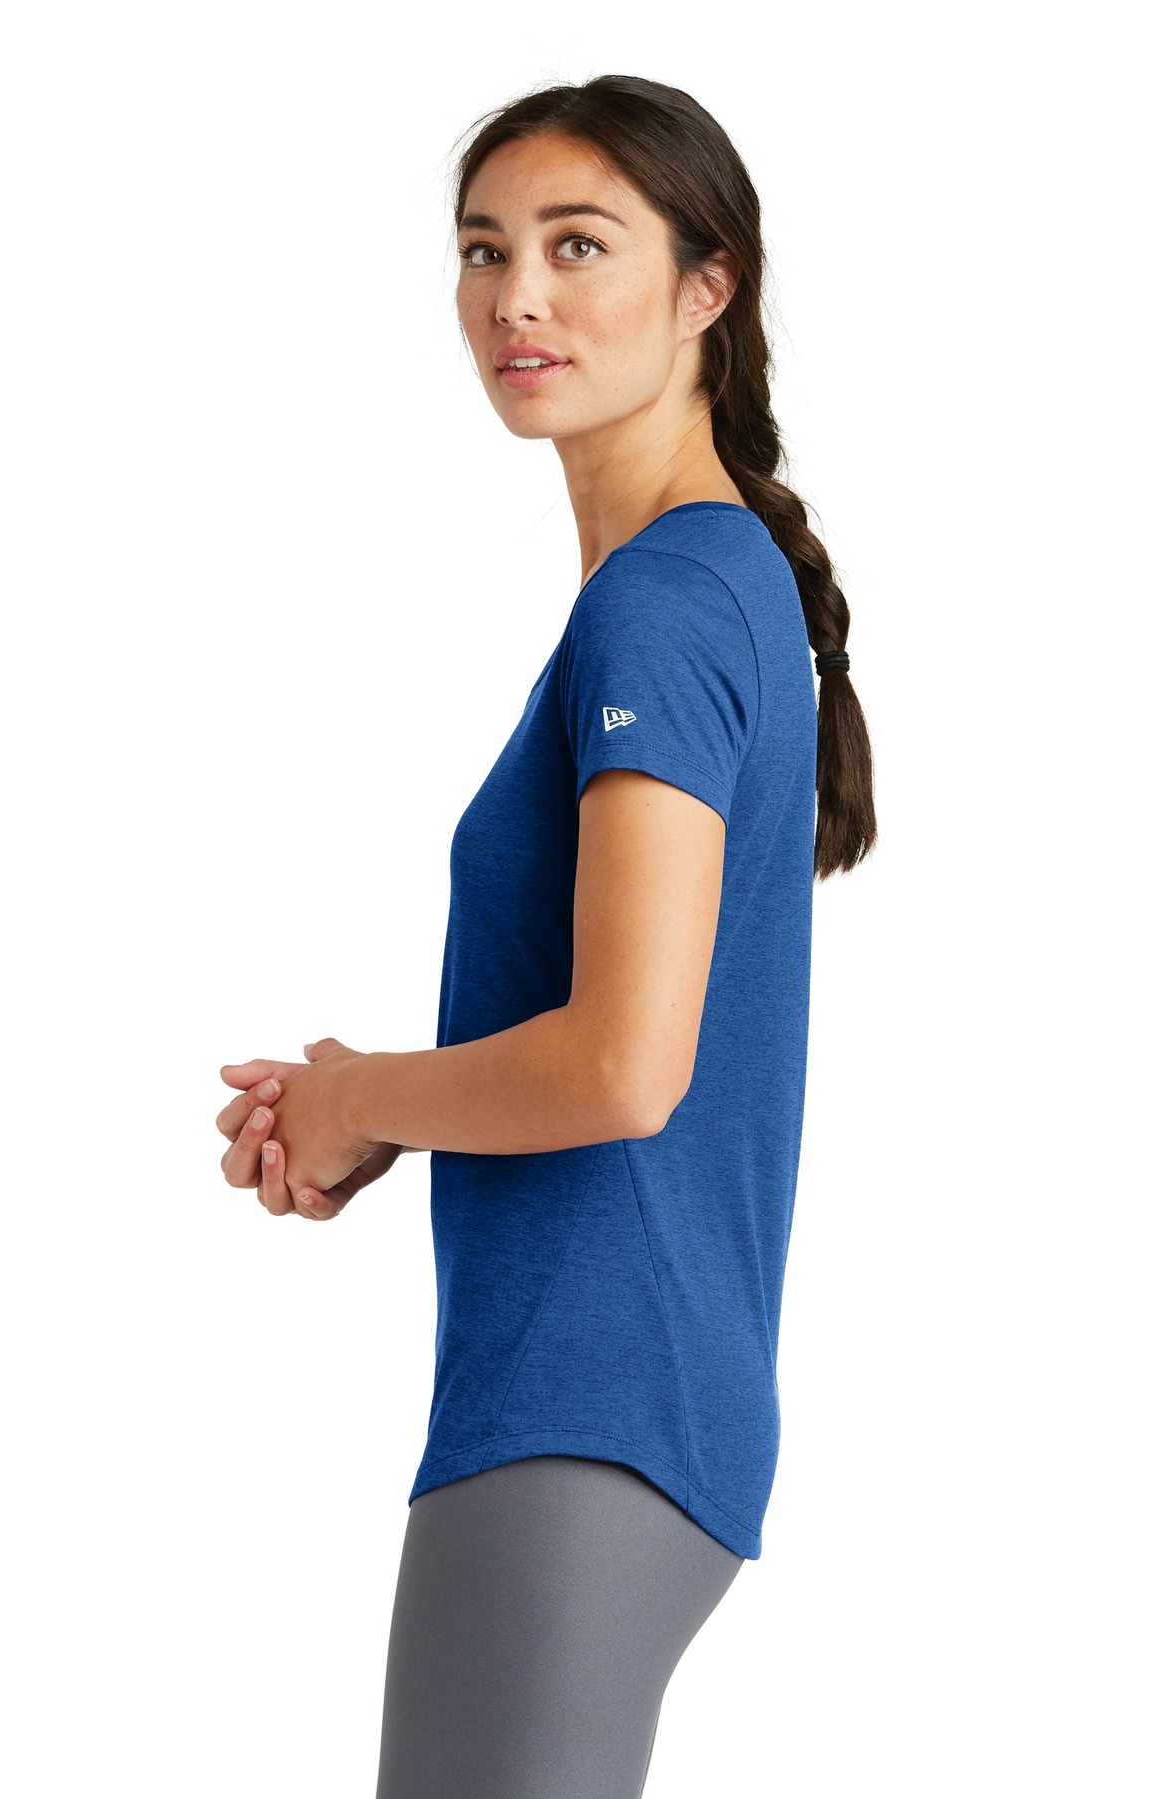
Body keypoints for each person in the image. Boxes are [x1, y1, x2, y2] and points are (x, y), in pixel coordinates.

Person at [215, 73, 876, 1799]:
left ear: (709, 285)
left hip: (589, 1395)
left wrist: (359, 1097)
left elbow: (624, 1064)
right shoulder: (700, 587)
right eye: (483, 249)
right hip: (619, 1402)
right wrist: (377, 1104)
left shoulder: (666, 600)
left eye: (579, 246)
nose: (518, 296)